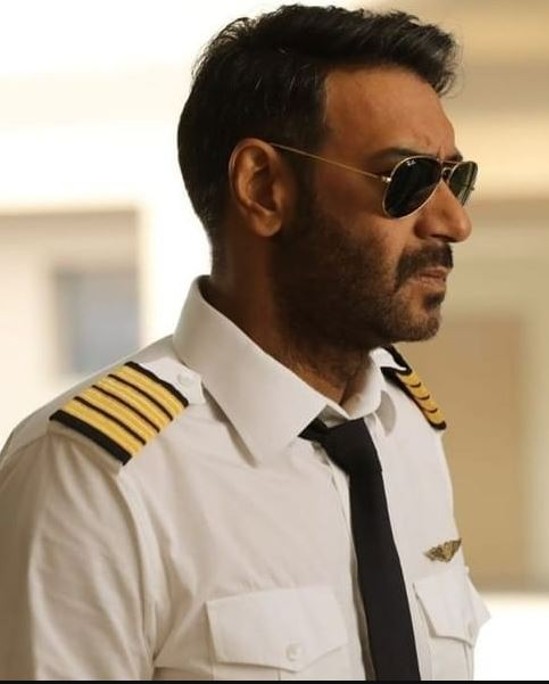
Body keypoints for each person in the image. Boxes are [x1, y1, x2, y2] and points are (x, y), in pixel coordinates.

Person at [0, 4, 489, 679]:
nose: (454, 222)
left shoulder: (403, 430)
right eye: (407, 179)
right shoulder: (95, 477)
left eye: (455, 179)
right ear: (263, 188)